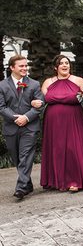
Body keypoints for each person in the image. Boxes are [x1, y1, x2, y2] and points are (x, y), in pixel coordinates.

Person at [40, 55, 83, 192]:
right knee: (57, 149)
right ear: (56, 67)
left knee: (74, 148)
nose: (65, 65)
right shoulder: (48, 82)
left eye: (67, 63)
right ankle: (57, 180)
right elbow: (42, 100)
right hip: (53, 122)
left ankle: (76, 180)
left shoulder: (79, 81)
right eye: (61, 63)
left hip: (74, 119)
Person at [0, 55, 44, 200]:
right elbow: (1, 107)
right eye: (21, 66)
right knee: (17, 158)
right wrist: (16, 118)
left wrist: (26, 117)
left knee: (25, 156)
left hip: (29, 127)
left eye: (26, 66)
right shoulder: (2, 85)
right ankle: (27, 184)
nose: (25, 68)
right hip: (11, 127)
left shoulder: (34, 84)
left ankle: (20, 188)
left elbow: (40, 104)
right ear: (12, 67)